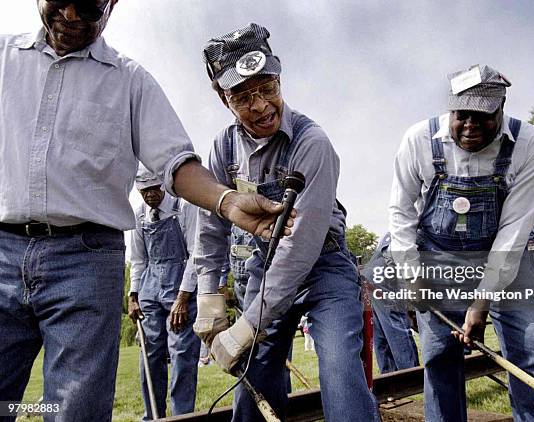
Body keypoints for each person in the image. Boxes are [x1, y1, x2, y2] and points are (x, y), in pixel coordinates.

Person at [0, 3, 289, 420]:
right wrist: (138, 292)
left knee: (73, 410)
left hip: (85, 262)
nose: (70, 13)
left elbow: (176, 163)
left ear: (111, 3)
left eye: (88, 4)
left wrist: (225, 200)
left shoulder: (129, 81)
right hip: (4, 248)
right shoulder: (5, 60)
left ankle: (173, 409)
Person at [192, 23, 379, 421]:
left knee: (340, 371)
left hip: (322, 268)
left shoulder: (312, 143)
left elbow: (301, 247)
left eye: (267, 88)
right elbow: (211, 226)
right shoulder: (223, 147)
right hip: (263, 272)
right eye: (243, 97)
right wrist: (208, 294)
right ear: (224, 100)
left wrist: (248, 324)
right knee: (255, 379)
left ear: (280, 78)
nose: (260, 106)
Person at [389, 65, 534, 421]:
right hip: (438, 258)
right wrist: (412, 275)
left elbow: (513, 232)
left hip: (506, 259)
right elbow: (401, 213)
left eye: (483, 116)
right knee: (440, 358)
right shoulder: (418, 140)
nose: (470, 126)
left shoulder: (530, 143)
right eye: (461, 115)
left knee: (530, 353)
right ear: (449, 108)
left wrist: (481, 302)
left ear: (501, 108)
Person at [128, 166, 200, 420]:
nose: (150, 196)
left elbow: (195, 254)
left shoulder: (184, 207)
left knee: (181, 353)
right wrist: (133, 295)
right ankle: (154, 415)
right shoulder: (139, 215)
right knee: (149, 353)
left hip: (180, 286)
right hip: (149, 287)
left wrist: (183, 297)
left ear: (164, 185)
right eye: (144, 191)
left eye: (154, 189)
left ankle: (182, 416)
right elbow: (138, 260)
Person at [361, 233, 419, 373]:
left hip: (370, 276)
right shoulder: (415, 227)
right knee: (396, 325)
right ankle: (412, 376)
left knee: (381, 330)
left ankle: (389, 378)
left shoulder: (398, 227)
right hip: (385, 275)